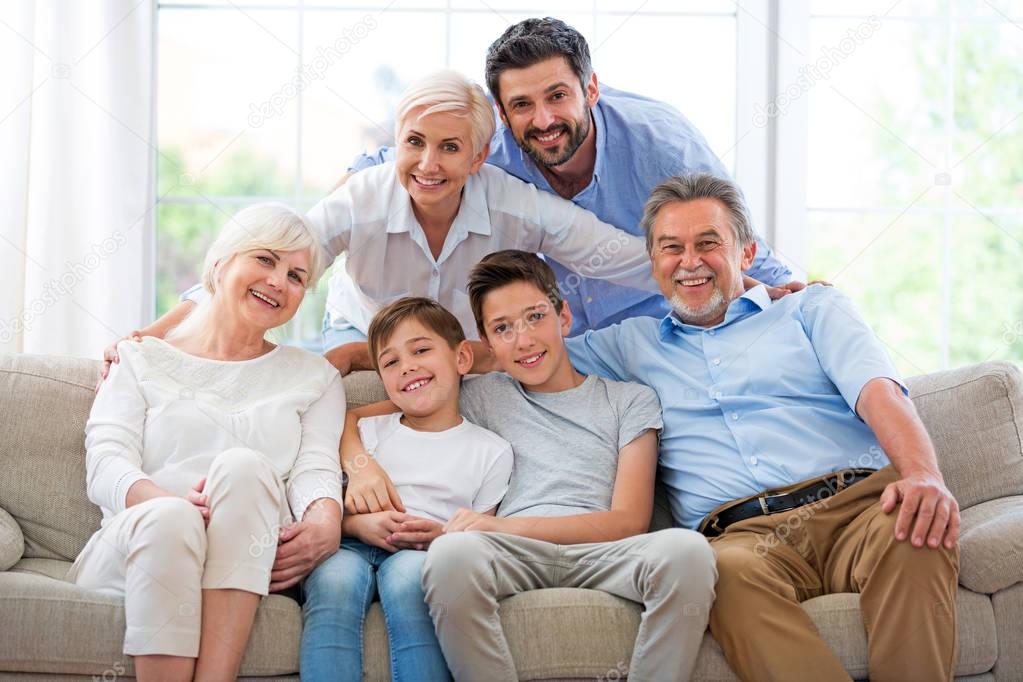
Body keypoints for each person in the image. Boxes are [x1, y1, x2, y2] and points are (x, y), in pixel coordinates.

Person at [565, 173, 960, 681]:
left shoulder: (811, 309)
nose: (690, 261)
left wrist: (924, 475)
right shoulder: (628, 346)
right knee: (719, 573)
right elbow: (523, 353)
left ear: (746, 252)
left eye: (709, 243)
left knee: (917, 534)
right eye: (672, 248)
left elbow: (877, 392)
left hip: (859, 506)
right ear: (654, 262)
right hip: (740, 538)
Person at [111, 69, 661, 379]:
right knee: (350, 385)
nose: (427, 165)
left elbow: (615, 255)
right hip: (363, 326)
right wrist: (149, 339)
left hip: (462, 349)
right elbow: (264, 265)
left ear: (478, 156)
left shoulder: (516, 205)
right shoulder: (362, 200)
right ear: (395, 144)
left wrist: (725, 275)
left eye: (450, 148)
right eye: (414, 144)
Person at [343, 251, 717, 682]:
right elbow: (361, 414)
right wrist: (361, 466)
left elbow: (630, 521)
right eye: (503, 328)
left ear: (564, 317)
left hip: (603, 553)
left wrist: (499, 527)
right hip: (510, 557)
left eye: (535, 317)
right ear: (487, 343)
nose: (522, 340)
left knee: (688, 551)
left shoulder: (630, 400)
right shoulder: (478, 393)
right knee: (450, 554)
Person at [349, 17, 803, 336]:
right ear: (501, 113)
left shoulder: (662, 145)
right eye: (522, 105)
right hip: (565, 341)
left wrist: (795, 300)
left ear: (590, 89)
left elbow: (733, 238)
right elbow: (382, 167)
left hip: (663, 326)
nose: (543, 119)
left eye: (558, 96)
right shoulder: (485, 147)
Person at [69, 204, 346, 682]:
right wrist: (170, 503)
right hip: (138, 544)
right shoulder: (139, 359)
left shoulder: (315, 377)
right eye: (265, 259)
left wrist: (327, 520)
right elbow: (107, 464)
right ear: (219, 265)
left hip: (246, 556)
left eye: (297, 275)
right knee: (172, 518)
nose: (279, 281)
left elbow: (316, 469)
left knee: (245, 466)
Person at [300, 297, 513, 682]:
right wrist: (358, 525)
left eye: (421, 350)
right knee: (333, 584)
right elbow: (333, 505)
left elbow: (483, 534)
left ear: (462, 358)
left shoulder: (492, 452)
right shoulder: (367, 433)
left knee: (411, 584)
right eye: (391, 362)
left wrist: (442, 537)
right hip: (351, 543)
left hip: (422, 551)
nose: (408, 366)